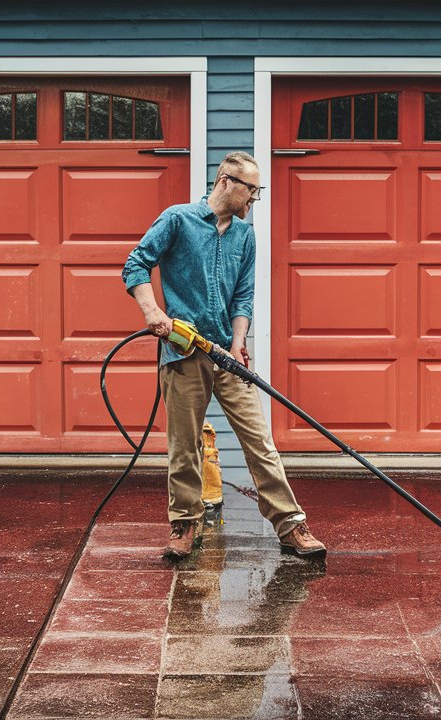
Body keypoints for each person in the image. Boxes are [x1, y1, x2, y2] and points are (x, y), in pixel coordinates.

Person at [121, 151, 325, 560]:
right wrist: (154, 313)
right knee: (184, 445)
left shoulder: (244, 236)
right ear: (226, 183)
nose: (255, 199)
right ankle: (184, 524)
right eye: (252, 190)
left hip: (226, 355)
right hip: (183, 351)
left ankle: (291, 525)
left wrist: (238, 343)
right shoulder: (177, 219)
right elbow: (136, 264)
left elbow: (243, 296)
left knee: (260, 441)